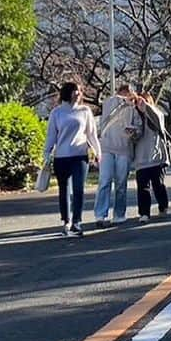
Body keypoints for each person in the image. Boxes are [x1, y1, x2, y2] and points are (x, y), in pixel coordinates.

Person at [41, 81, 101, 236]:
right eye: (75, 90)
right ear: (67, 92)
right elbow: (51, 136)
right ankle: (66, 221)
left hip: (80, 155)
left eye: (80, 91)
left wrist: (98, 152)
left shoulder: (85, 111)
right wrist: (47, 153)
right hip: (61, 157)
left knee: (79, 189)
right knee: (64, 190)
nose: (78, 93)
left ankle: (77, 222)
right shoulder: (57, 113)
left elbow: (91, 134)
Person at [96, 83, 140, 226]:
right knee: (105, 180)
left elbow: (139, 129)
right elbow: (113, 103)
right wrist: (123, 100)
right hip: (107, 147)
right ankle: (100, 214)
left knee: (121, 183)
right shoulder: (110, 102)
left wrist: (134, 132)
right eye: (125, 92)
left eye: (129, 93)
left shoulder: (134, 110)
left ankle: (119, 214)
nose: (127, 95)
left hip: (124, 149)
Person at [132, 92, 171, 222]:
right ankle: (144, 213)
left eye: (144, 102)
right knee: (143, 187)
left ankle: (163, 206)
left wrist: (147, 108)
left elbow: (158, 119)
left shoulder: (156, 115)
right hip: (141, 158)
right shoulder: (134, 117)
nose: (140, 105)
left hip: (157, 157)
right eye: (138, 102)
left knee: (158, 184)